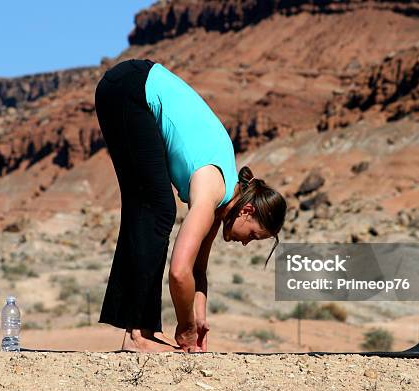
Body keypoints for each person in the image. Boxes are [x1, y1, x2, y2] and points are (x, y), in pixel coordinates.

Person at [94, 59, 286, 352]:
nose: (247, 243)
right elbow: (179, 272)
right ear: (247, 211)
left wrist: (199, 319)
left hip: (129, 87)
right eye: (254, 235)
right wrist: (185, 329)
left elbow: (197, 270)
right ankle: (140, 336)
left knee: (148, 206)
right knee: (157, 210)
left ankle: (137, 331)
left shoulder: (225, 197)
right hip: (130, 90)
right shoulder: (212, 190)